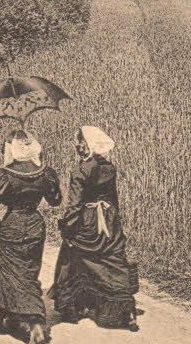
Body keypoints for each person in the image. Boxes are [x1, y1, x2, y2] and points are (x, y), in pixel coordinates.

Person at [49, 125, 139, 330]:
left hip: (88, 219)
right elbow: (113, 199)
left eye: (79, 142)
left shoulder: (81, 170)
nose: (76, 145)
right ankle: (126, 308)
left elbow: (75, 204)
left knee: (70, 256)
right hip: (108, 219)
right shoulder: (109, 167)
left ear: (87, 144)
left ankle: (72, 307)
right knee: (111, 260)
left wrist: (67, 227)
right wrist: (115, 222)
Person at [0, 130, 62, 344]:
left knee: (8, 272)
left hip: (12, 224)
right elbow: (55, 201)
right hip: (35, 224)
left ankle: (33, 321)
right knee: (28, 271)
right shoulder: (45, 173)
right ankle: (6, 317)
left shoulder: (4, 174)